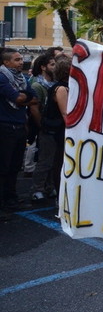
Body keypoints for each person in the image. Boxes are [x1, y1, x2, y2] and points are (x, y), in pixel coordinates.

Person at [0, 48, 37, 217]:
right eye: (16, 60)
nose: (21, 62)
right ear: (6, 62)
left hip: (20, 127)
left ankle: (11, 198)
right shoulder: (2, 77)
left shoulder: (22, 78)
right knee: (4, 167)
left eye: (21, 59)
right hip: (6, 127)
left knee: (15, 166)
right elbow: (18, 98)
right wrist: (24, 98)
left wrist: (24, 97)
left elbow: (33, 98)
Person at [28, 53, 57, 203]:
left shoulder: (54, 84)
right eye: (52, 64)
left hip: (54, 126)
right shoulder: (37, 85)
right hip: (45, 127)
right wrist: (42, 126)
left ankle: (49, 186)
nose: (55, 67)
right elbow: (35, 109)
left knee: (53, 159)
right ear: (43, 67)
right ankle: (37, 189)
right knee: (44, 160)